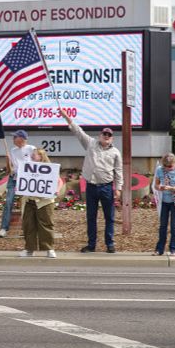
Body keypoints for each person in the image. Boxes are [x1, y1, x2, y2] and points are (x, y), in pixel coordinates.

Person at [62, 109, 123, 253]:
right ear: (100, 135)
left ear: (112, 138)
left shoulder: (115, 152)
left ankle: (110, 244)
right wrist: (66, 117)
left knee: (109, 217)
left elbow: (119, 171)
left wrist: (118, 188)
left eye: (109, 135)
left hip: (107, 187)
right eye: (104, 134)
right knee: (91, 217)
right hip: (91, 187)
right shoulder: (90, 143)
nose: (106, 136)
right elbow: (78, 131)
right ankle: (91, 245)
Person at [19, 148, 58, 258]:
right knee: (28, 225)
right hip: (29, 201)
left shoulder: (50, 168)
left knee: (46, 225)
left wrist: (57, 189)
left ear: (41, 156)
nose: (32, 156)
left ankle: (49, 249)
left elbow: (58, 181)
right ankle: (29, 249)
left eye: (34, 155)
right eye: (31, 154)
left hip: (45, 202)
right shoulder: (27, 167)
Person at [0, 130, 36, 238]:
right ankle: (4, 228)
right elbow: (10, 171)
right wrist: (7, 161)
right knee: (9, 202)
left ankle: (27, 228)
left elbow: (37, 164)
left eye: (15, 137)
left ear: (22, 139)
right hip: (13, 180)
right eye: (13, 137)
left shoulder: (31, 149)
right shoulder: (13, 150)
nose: (13, 139)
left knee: (27, 204)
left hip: (27, 180)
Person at [153, 152, 175, 257]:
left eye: (170, 166)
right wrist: (160, 187)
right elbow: (156, 185)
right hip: (163, 202)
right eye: (165, 166)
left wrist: (171, 188)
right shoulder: (159, 170)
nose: (167, 168)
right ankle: (159, 249)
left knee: (174, 226)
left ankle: (174, 249)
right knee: (163, 226)